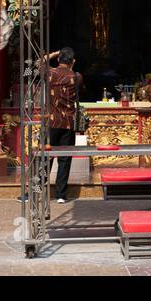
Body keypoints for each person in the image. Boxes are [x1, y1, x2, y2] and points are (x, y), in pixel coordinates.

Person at [44, 47, 83, 203]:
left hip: (52, 122)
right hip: (68, 123)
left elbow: (37, 64)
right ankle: (60, 194)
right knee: (64, 159)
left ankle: (37, 189)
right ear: (72, 61)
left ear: (59, 59)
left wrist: (52, 54)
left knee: (45, 158)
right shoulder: (77, 76)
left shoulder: (51, 74)